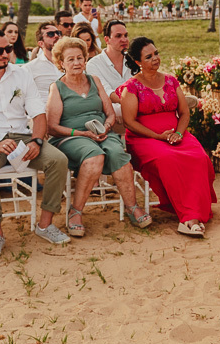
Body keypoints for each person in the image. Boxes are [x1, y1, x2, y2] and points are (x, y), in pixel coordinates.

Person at [0, 27, 72, 257]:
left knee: (58, 160)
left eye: (7, 48)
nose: (4, 54)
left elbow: (39, 114)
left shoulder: (21, 74)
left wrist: (37, 141)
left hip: (21, 136)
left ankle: (45, 224)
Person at [46, 37, 152, 237]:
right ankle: (75, 212)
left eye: (80, 58)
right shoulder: (57, 87)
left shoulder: (94, 80)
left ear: (85, 59)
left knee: (118, 154)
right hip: (70, 136)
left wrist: (106, 126)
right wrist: (82, 133)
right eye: (71, 59)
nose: (77, 63)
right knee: (94, 157)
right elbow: (52, 126)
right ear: (61, 63)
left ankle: (132, 207)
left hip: (100, 132)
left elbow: (110, 112)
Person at [119, 37, 216, 237]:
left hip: (176, 133)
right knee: (169, 160)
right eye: (149, 56)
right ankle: (189, 218)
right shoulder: (131, 87)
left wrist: (179, 133)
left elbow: (184, 112)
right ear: (138, 62)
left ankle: (194, 210)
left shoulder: (171, 80)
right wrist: (158, 136)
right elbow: (129, 122)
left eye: (156, 53)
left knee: (200, 158)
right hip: (144, 138)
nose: (155, 58)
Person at [89, 20, 133, 114]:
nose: (124, 39)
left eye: (126, 35)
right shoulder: (94, 64)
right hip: (113, 113)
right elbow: (107, 92)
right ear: (106, 39)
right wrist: (133, 103)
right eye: (118, 36)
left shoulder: (134, 59)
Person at [26, 21, 64, 101]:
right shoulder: (30, 68)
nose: (56, 36)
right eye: (50, 34)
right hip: (44, 110)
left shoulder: (72, 63)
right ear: (41, 43)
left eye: (58, 33)